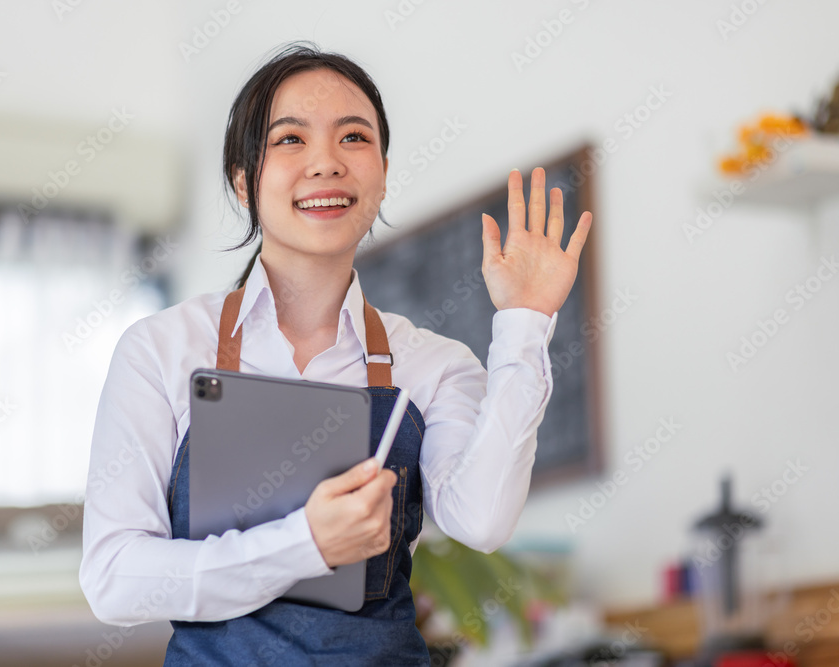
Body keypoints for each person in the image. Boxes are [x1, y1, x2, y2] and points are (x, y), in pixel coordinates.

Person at [79, 41, 592, 666]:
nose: (326, 162)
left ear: (380, 173)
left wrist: (525, 323)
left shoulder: (431, 365)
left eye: (354, 138)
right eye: (290, 140)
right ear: (244, 183)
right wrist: (304, 545)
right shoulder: (162, 350)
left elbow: (481, 521)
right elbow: (113, 576)